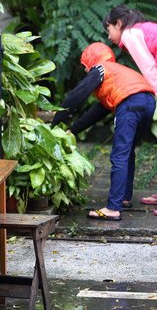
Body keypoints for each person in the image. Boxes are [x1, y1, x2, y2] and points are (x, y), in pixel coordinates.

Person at [52, 42, 155, 221]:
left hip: (130, 103)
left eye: (85, 67)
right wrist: (73, 130)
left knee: (119, 155)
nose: (86, 72)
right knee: (127, 152)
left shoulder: (100, 69)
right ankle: (123, 197)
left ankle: (113, 208)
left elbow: (78, 94)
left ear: (91, 61)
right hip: (148, 102)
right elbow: (95, 113)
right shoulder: (117, 75)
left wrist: (56, 120)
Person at [103, 5, 157, 212]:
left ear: (119, 24)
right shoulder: (142, 30)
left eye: (109, 30)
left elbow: (149, 69)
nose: (109, 37)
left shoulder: (131, 34)